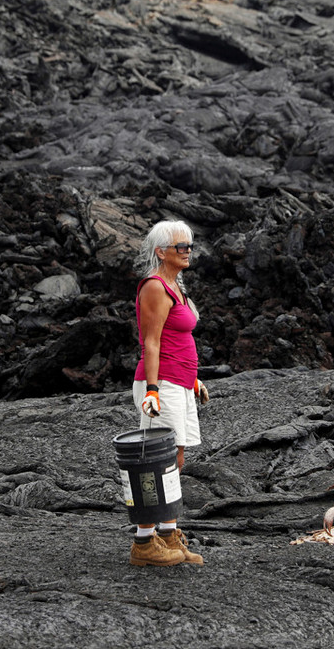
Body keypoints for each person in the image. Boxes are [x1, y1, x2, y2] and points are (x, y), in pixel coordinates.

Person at [128, 219, 210, 567]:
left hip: (179, 381)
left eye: (190, 245)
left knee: (174, 460)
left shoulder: (177, 286)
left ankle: (168, 535)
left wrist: (193, 378)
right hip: (160, 384)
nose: (187, 251)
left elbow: (180, 339)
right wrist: (152, 389)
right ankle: (144, 543)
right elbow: (151, 341)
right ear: (161, 251)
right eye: (181, 247)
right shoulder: (155, 287)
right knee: (155, 461)